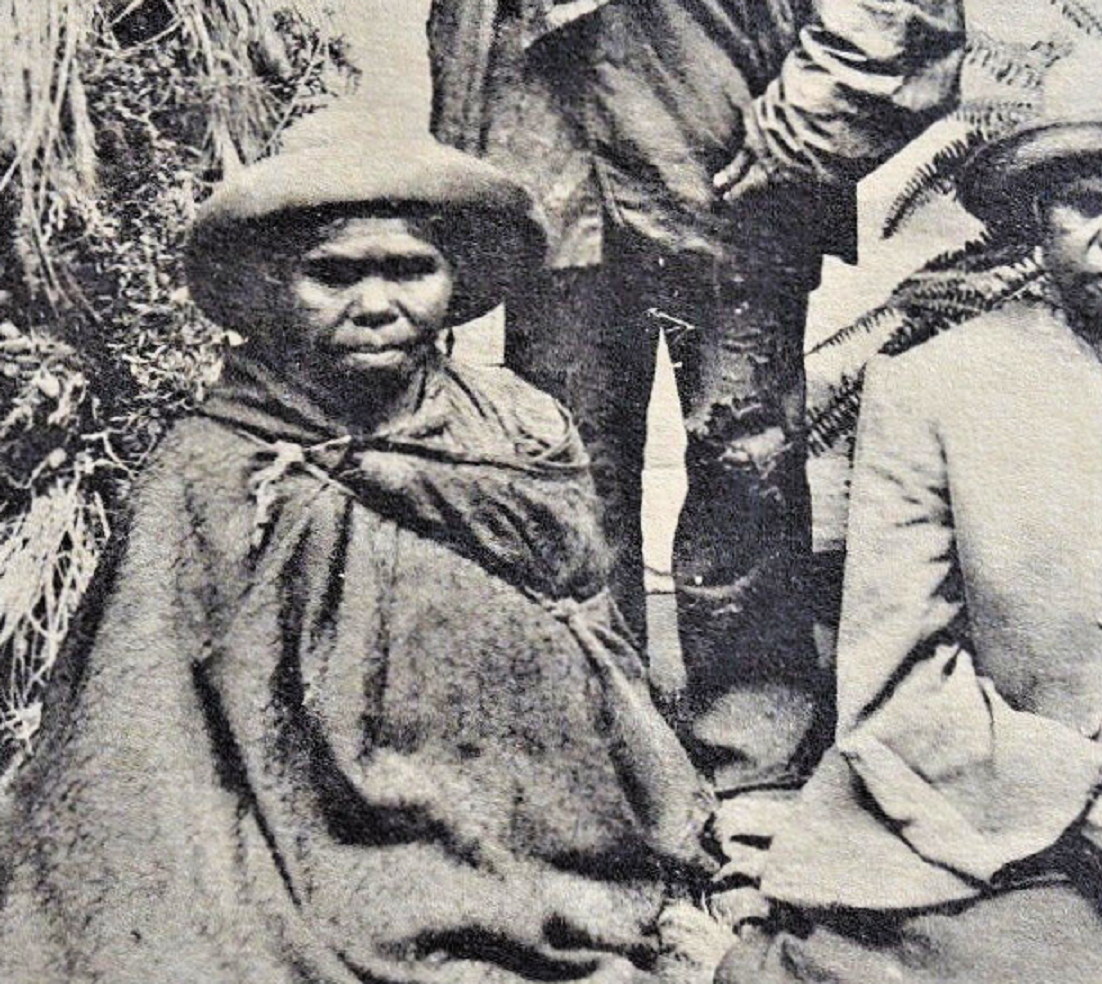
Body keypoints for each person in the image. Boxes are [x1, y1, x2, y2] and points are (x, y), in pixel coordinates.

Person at [0, 139, 719, 984]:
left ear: (453, 283)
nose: (376, 304)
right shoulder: (216, 463)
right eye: (334, 276)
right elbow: (144, 712)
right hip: (311, 807)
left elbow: (594, 634)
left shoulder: (517, 428)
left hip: (533, 799)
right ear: (272, 290)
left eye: (409, 270)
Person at [716, 41, 1102, 984]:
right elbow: (895, 670)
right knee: (924, 953)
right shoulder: (934, 387)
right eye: (1086, 204)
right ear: (1034, 220)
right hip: (1001, 798)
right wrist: (1077, 806)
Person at [428, 0, 966, 800]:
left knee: (745, 463)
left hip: (725, 168)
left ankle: (752, 756)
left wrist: (801, 126)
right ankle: (597, 751)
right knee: (563, 466)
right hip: (549, 165)